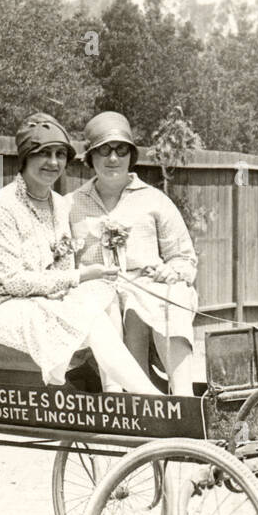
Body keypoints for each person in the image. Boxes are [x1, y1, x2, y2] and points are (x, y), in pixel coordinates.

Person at [0, 112, 164, 395]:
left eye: (60, 154)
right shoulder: (2, 207)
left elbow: (62, 269)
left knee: (101, 294)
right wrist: (81, 276)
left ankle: (116, 392)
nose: (54, 163)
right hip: (0, 306)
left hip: (43, 301)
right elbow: (15, 283)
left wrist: (89, 281)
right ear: (25, 158)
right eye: (44, 154)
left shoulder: (60, 205)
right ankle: (144, 396)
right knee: (88, 311)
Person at [70, 111, 198, 395]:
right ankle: (119, 398)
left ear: (131, 156)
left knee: (171, 293)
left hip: (148, 291)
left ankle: (183, 398)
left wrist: (171, 270)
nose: (113, 158)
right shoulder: (70, 205)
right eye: (103, 150)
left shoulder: (155, 201)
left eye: (121, 149)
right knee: (106, 302)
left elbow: (184, 258)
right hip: (96, 297)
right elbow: (59, 264)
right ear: (90, 157)